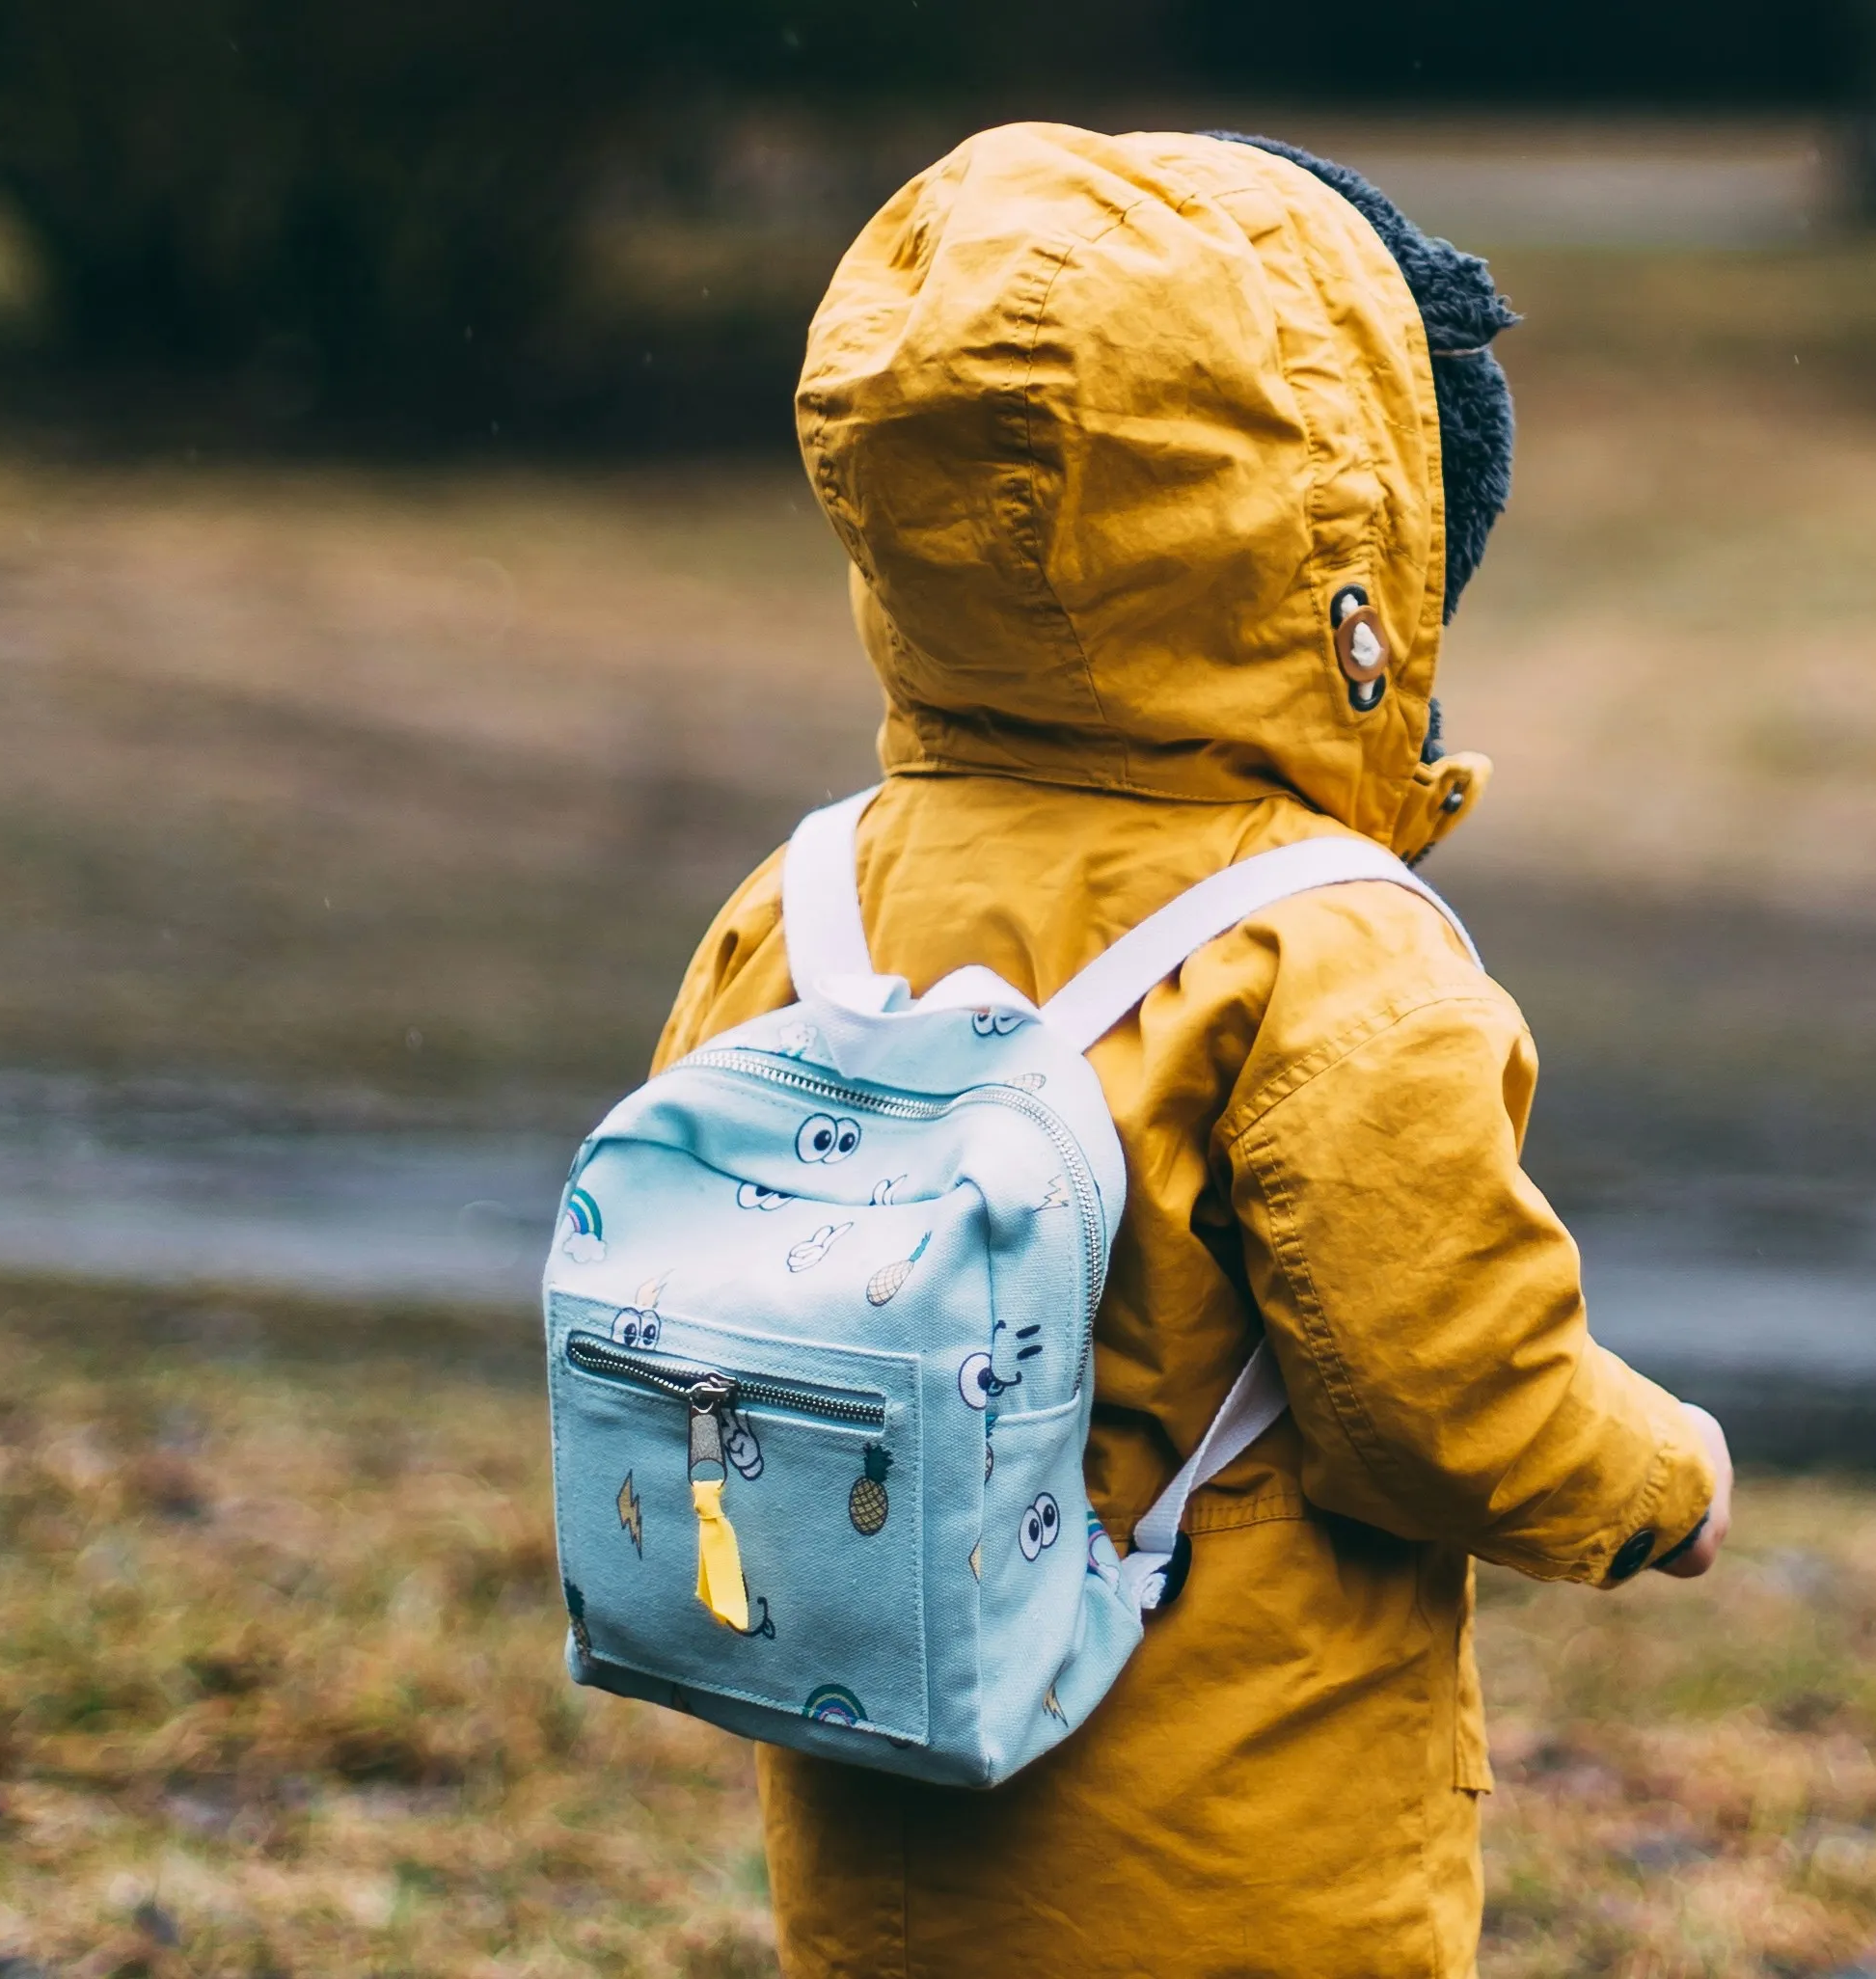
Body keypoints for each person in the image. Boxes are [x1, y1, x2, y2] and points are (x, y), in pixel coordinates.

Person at [650, 122, 1732, 1979]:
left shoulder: (813, 891)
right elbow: (1445, 1396)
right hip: (1238, 1858)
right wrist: (1667, 1479)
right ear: (1351, 542)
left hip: (882, 1811)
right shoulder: (1323, 951)